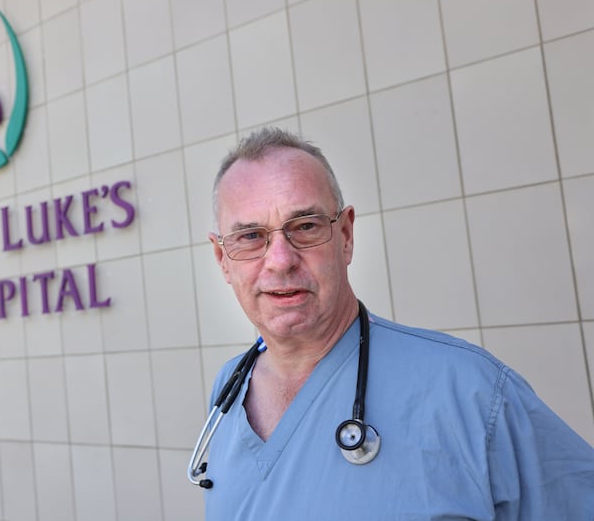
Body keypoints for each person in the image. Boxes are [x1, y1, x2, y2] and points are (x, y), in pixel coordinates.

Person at [195, 126, 594, 520]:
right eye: (249, 236)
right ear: (221, 258)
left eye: (305, 227)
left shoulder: (470, 391)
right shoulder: (228, 392)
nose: (281, 260)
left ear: (346, 234)